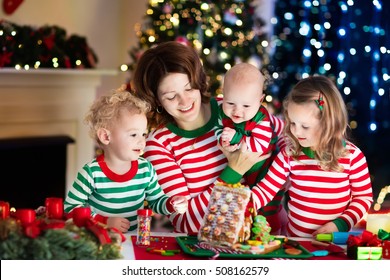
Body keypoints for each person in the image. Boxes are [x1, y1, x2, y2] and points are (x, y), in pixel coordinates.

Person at [132, 41, 285, 234]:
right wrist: (234, 171)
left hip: (267, 236)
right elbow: (185, 222)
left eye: (189, 89)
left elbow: (287, 136)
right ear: (157, 100)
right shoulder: (159, 145)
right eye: (171, 96)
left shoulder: (233, 107)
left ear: (198, 81)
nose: (185, 101)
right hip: (210, 248)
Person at [224, 75, 373, 237]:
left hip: (335, 243)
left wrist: (341, 224)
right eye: (293, 123)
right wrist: (238, 206)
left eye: (305, 126)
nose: (296, 131)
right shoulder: (289, 154)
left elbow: (363, 198)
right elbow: (265, 190)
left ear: (329, 124)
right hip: (295, 244)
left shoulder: (353, 157)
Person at [64, 89, 188, 232]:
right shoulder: (92, 173)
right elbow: (70, 208)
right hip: (100, 241)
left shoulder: (145, 169)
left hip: (133, 241)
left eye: (143, 134)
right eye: (133, 134)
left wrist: (171, 203)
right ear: (106, 137)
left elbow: (156, 201)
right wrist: (104, 221)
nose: (142, 141)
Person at [215, 62, 286, 230]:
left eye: (246, 106)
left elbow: (259, 146)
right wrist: (224, 141)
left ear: (260, 100)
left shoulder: (261, 118)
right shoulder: (221, 112)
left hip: (264, 168)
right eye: (230, 103)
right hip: (242, 169)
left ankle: (272, 231)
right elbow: (219, 131)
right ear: (223, 95)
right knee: (239, 203)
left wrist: (236, 139)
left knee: (267, 207)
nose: (237, 111)